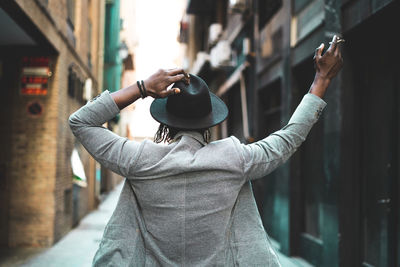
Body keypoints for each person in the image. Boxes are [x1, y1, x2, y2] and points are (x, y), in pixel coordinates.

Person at [69, 35, 343, 266]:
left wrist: (142, 88)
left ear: (165, 124)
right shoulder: (235, 158)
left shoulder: (140, 160)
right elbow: (289, 138)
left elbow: (81, 121)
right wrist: (321, 80)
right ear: (209, 120)